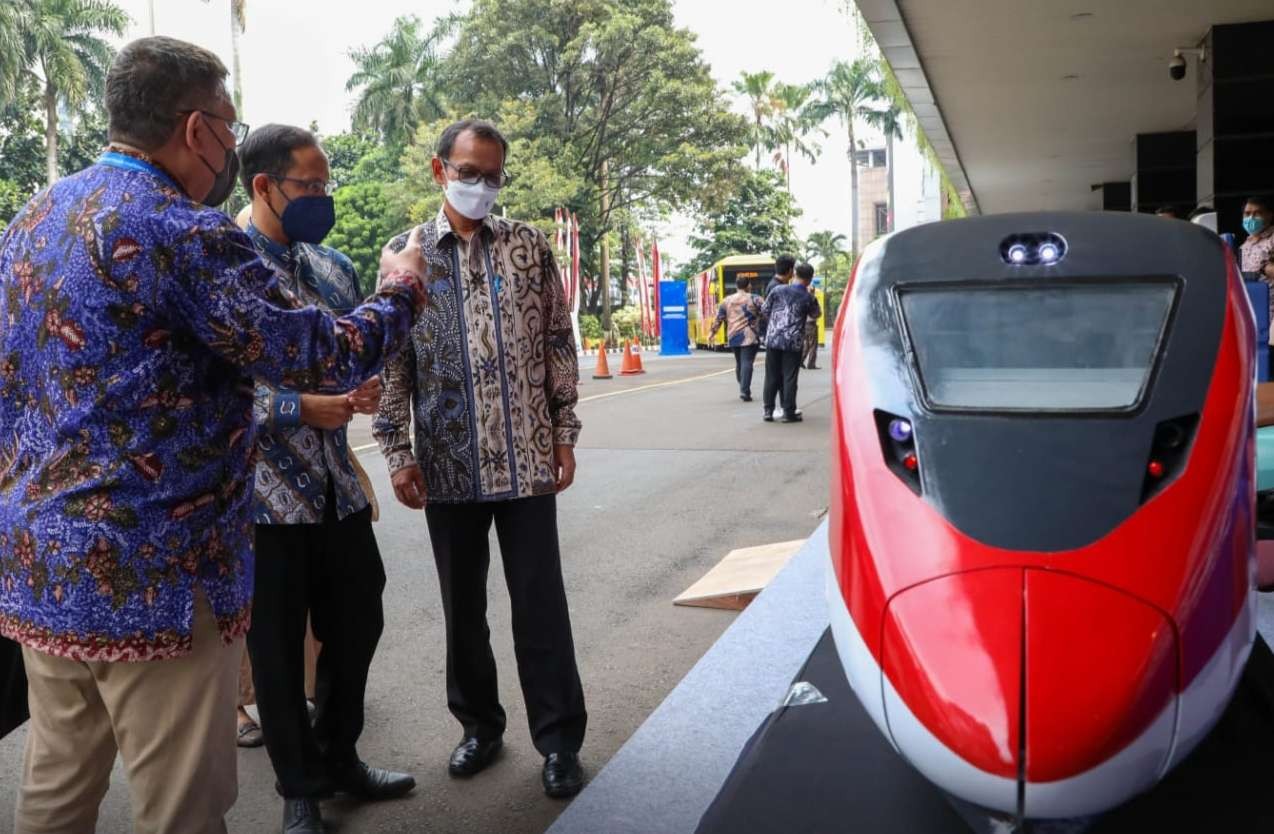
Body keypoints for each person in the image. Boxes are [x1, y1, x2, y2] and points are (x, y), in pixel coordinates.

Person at [0, 37, 428, 834]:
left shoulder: (31, 221)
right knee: (183, 806)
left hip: (42, 570)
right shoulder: (181, 229)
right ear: (196, 129)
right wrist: (402, 288)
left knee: (57, 789)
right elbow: (320, 354)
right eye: (229, 127)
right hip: (158, 578)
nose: (232, 144)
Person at [373, 119, 588, 799]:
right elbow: (392, 362)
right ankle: (479, 726)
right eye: (469, 172)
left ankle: (558, 742)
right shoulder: (403, 257)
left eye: (493, 174)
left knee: (540, 605)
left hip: (526, 461)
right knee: (463, 607)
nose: (481, 186)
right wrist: (398, 452)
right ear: (440, 171)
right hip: (446, 464)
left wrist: (563, 434)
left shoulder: (528, 247)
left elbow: (557, 342)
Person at [238, 124, 416, 834]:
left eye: (324, 185)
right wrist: (297, 406)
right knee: (276, 648)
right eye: (307, 186)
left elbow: (354, 354)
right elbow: (208, 393)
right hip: (261, 498)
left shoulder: (334, 267)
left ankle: (340, 755)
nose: (321, 197)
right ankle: (299, 788)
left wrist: (361, 388)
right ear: (263, 185)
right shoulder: (225, 267)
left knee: (358, 618)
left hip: (338, 484)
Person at [761, 262, 821, 423]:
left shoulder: (777, 290)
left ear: (794, 274)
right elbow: (816, 314)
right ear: (809, 279)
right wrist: (812, 296)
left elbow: (765, 310)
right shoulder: (807, 296)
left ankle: (768, 411)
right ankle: (788, 412)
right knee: (789, 377)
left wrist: (776, 323)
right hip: (793, 342)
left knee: (771, 375)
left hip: (773, 339)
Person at [708, 275, 764, 401]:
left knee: (740, 362)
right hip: (750, 336)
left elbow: (719, 318)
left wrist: (712, 333)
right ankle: (745, 390)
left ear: (737, 285)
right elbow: (766, 312)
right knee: (747, 362)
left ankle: (743, 386)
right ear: (748, 285)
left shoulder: (726, 300)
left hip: (733, 336)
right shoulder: (755, 299)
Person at [795, 263, 820, 370]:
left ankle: (800, 360)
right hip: (811, 324)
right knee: (813, 344)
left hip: (803, 324)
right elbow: (817, 313)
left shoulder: (797, 295)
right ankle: (811, 364)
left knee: (806, 344)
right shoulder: (811, 298)